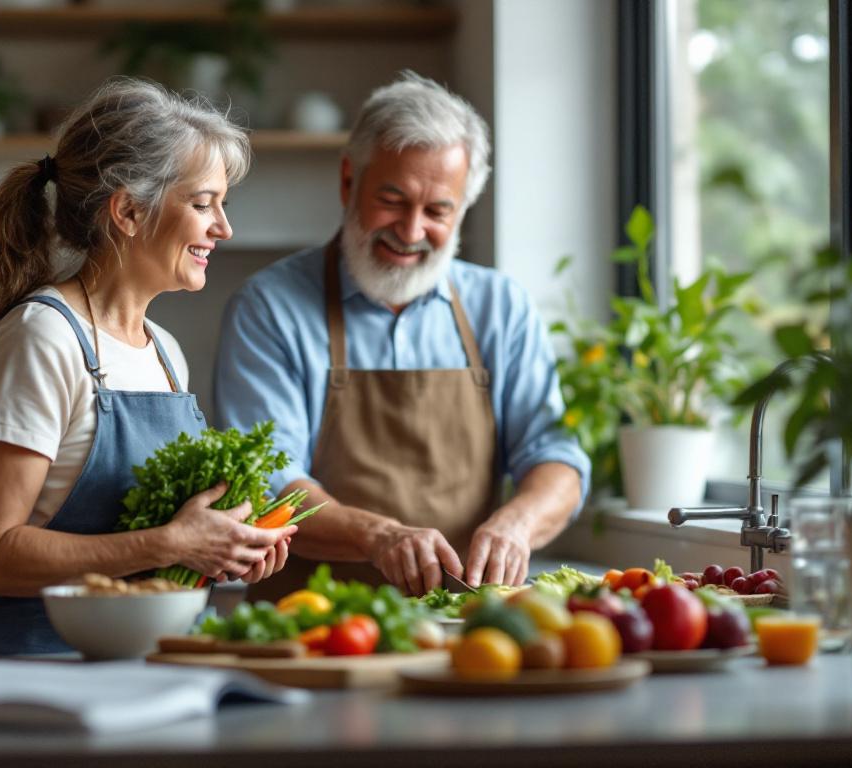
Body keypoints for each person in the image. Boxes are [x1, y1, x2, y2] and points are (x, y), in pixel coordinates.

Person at [0, 79, 294, 657]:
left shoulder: (164, 352)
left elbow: (159, 544)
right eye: (203, 204)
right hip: (32, 676)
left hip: (143, 664)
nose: (223, 228)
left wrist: (221, 548)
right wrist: (170, 542)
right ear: (128, 211)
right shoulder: (43, 338)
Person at [213, 72, 590, 599]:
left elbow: (555, 456)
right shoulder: (269, 308)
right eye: (393, 201)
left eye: (437, 211)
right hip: (311, 626)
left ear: (462, 209)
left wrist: (518, 524)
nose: (411, 232)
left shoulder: (501, 308)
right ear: (349, 182)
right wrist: (378, 535)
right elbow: (270, 484)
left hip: (466, 626)